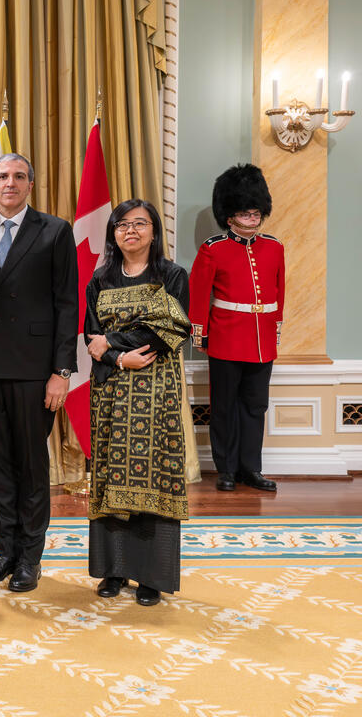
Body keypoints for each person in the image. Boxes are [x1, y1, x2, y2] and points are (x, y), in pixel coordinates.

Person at [0, 153, 78, 593]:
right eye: (2, 176)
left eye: (19, 176)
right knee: (2, 468)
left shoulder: (54, 231)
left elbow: (67, 304)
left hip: (35, 372)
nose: (10, 183)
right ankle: (4, 552)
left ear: (31, 184)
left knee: (31, 467)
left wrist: (61, 371)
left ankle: (31, 558)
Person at [84, 199, 191, 607]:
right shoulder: (101, 280)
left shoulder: (172, 275)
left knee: (153, 474)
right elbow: (89, 337)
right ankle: (113, 571)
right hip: (110, 388)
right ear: (113, 233)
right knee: (110, 475)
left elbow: (168, 332)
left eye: (139, 224)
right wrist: (116, 356)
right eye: (122, 225)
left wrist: (112, 341)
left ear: (153, 231)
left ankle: (150, 576)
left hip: (155, 392)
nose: (131, 231)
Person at [189, 163, 284, 493]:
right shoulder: (213, 248)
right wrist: (199, 332)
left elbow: (277, 293)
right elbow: (199, 294)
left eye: (256, 214)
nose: (253, 219)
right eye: (245, 214)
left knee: (255, 407)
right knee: (225, 407)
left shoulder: (274, 247)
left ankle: (250, 469)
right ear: (230, 217)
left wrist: (275, 330)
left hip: (262, 341)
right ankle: (226, 470)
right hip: (226, 338)